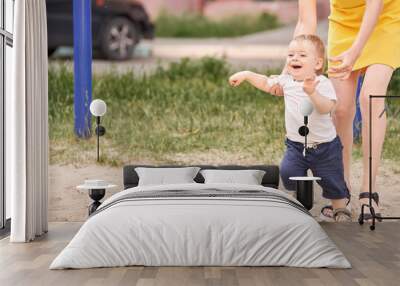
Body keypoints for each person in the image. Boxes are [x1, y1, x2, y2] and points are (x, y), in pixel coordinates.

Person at [269, 0, 400, 222]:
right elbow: (305, 21)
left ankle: (369, 191)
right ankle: (342, 188)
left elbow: (374, 6)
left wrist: (355, 51)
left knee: (370, 98)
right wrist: (286, 73)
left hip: (385, 18)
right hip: (344, 24)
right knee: (340, 108)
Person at [229, 35, 351, 222]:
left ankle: (340, 209)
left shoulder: (322, 83)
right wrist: (246, 74)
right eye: (291, 54)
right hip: (296, 145)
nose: (294, 58)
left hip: (325, 147)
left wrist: (312, 92)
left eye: (302, 55)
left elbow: (327, 107)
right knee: (288, 171)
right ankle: (299, 201)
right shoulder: (286, 82)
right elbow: (265, 83)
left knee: (332, 179)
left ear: (317, 63)